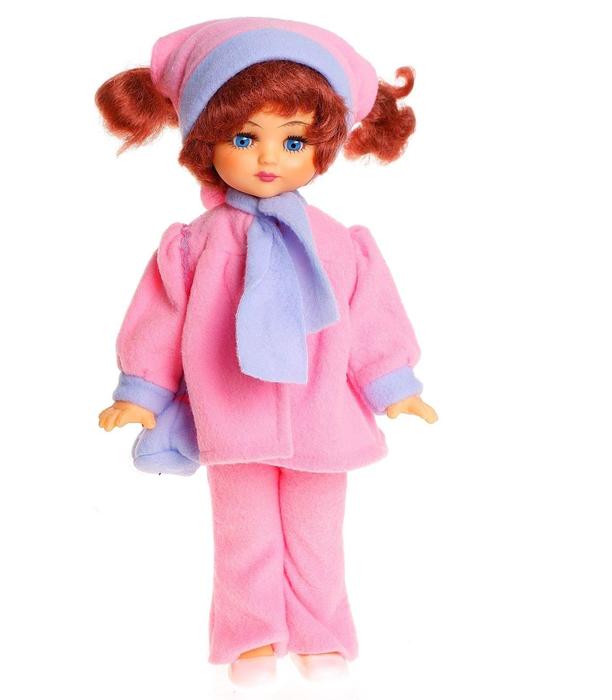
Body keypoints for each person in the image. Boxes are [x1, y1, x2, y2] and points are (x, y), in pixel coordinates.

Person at [96, 17, 437, 688]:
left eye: (294, 140)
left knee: (318, 535)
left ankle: (321, 635)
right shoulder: (193, 244)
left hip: (323, 414)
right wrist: (141, 392)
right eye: (245, 138)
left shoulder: (340, 242)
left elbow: (371, 316)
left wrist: (394, 384)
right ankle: (250, 638)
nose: (268, 158)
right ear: (206, 142)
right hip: (232, 413)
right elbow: (160, 318)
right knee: (243, 535)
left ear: (323, 147)